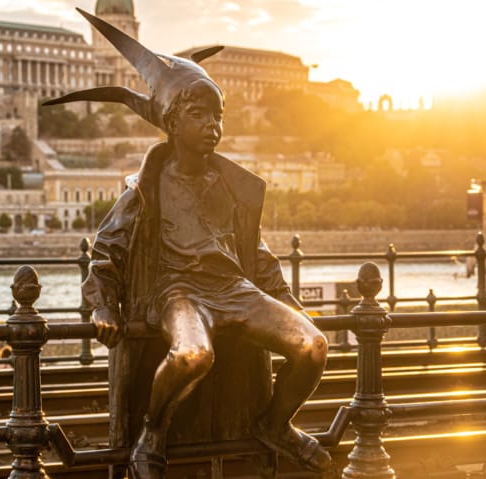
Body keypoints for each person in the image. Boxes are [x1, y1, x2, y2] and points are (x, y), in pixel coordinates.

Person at [45, 9, 330, 479]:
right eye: (199, 115)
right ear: (173, 123)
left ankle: (275, 425)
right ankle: (152, 432)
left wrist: (284, 299)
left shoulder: (229, 185)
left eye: (217, 116)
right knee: (192, 355)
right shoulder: (147, 188)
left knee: (313, 345)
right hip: (178, 293)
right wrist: (101, 307)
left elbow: (255, 253)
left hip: (234, 289)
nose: (212, 126)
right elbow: (106, 252)